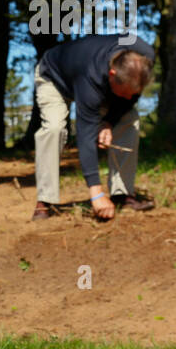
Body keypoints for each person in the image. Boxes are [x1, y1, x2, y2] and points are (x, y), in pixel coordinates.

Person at [31, 33, 156, 221]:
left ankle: (122, 194)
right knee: (54, 128)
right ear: (112, 74)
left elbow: (130, 95)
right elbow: (86, 134)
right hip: (54, 77)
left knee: (130, 118)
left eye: (134, 93)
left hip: (95, 78)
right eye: (125, 93)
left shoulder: (145, 59)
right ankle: (45, 201)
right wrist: (96, 194)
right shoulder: (91, 75)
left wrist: (109, 122)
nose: (129, 98)